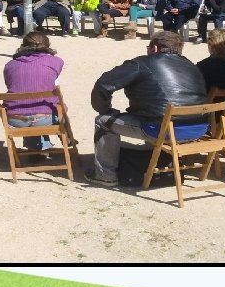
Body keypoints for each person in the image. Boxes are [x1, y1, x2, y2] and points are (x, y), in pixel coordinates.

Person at [85, 31, 207, 187]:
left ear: (154, 48)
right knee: (155, 116)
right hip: (199, 128)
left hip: (160, 129)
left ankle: (105, 175)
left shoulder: (140, 64)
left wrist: (105, 110)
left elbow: (104, 84)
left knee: (102, 121)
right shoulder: (192, 66)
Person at [1, 32, 65, 158]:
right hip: (45, 118)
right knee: (54, 105)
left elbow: (9, 84)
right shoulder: (56, 62)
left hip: (16, 119)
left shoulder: (10, 65)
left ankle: (36, 148)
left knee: (27, 103)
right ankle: (63, 138)